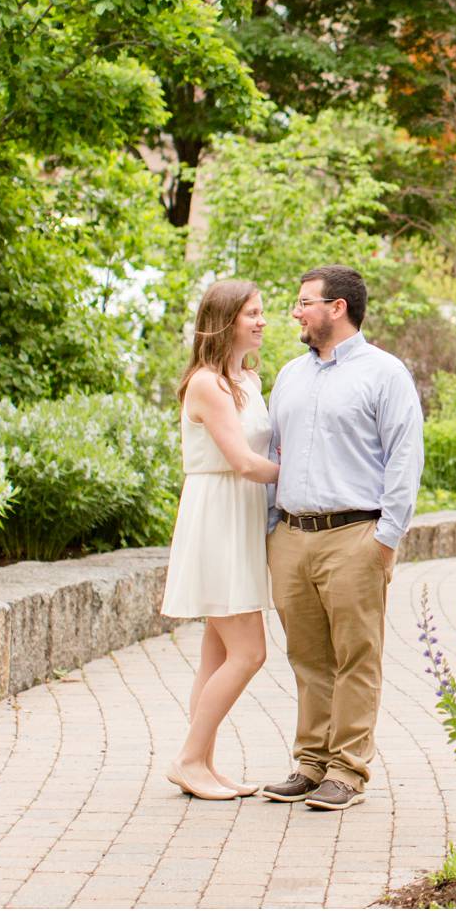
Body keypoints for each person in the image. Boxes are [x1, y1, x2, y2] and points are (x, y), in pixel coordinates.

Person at [258, 265, 424, 811]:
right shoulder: (289, 375)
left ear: (338, 308)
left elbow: (405, 457)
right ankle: (310, 764)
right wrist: (270, 531)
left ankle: (347, 771)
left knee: (357, 656)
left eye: (305, 302)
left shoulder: (385, 373)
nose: (295, 312)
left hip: (356, 534)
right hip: (292, 535)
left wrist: (387, 537)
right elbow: (273, 455)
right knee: (307, 657)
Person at [159, 278, 279, 801]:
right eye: (251, 313)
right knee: (250, 652)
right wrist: (309, 480)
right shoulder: (206, 382)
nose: (261, 321)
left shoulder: (248, 379)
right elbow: (244, 462)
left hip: (241, 516)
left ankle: (203, 762)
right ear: (225, 319)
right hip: (218, 516)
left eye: (262, 312)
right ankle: (187, 759)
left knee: (216, 654)